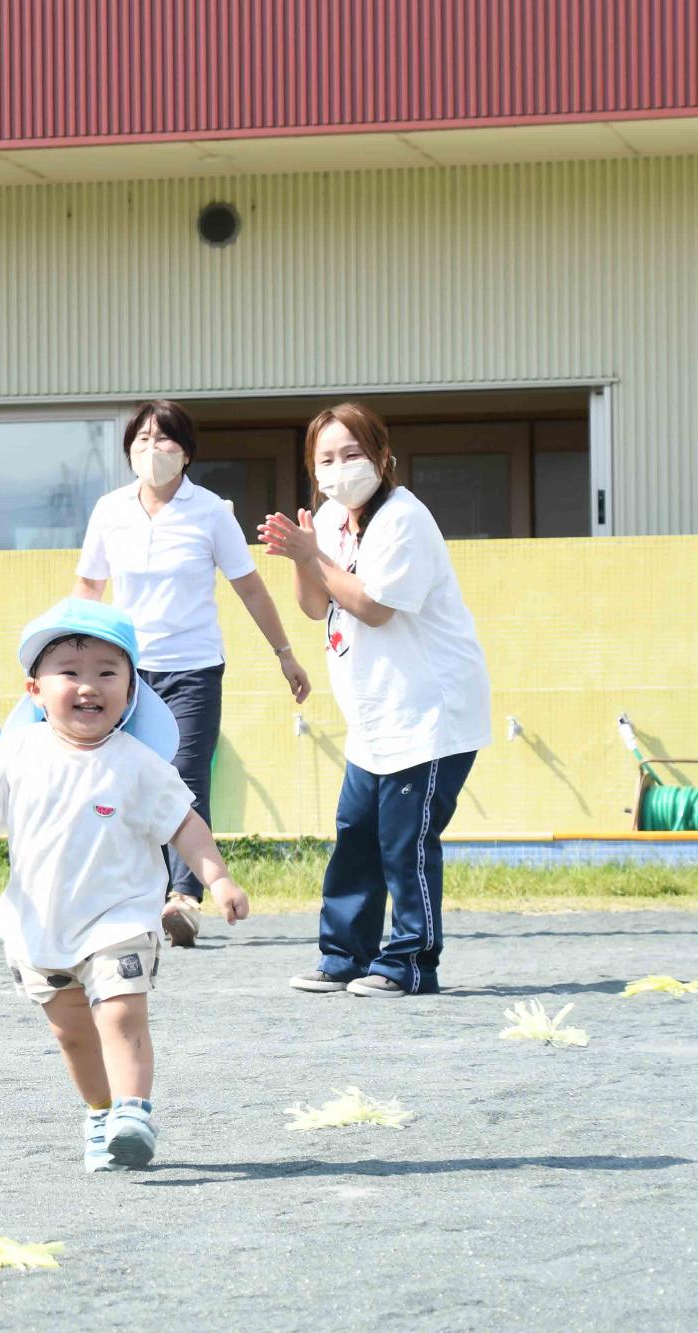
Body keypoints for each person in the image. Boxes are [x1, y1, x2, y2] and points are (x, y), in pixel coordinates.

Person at [0, 599, 249, 1172]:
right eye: (70, 671)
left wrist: (217, 878)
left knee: (119, 1014)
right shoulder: (16, 753)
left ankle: (134, 1113)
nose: (88, 685)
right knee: (72, 1034)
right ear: (35, 690)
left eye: (107, 673)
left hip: (120, 920)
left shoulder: (139, 764)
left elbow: (187, 827)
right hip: (39, 926)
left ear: (131, 691)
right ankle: (99, 1111)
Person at [259, 402, 491, 998]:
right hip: (374, 719)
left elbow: (374, 607)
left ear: (383, 457)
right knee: (356, 835)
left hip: (429, 715)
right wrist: (301, 556)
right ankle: (343, 957)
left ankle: (410, 964)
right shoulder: (333, 519)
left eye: (353, 454)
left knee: (404, 841)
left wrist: (311, 556)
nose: (340, 469)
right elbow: (317, 607)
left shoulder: (404, 519)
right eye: (326, 459)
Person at [73, 400, 310, 949]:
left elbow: (248, 585)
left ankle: (184, 897)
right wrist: (65, 662)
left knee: (184, 773)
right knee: (126, 775)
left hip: (195, 666)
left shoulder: (209, 512)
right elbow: (89, 588)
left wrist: (284, 653)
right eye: (141, 441)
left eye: (165, 441)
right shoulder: (110, 510)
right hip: (127, 670)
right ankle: (141, 891)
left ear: (186, 452)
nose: (152, 452)